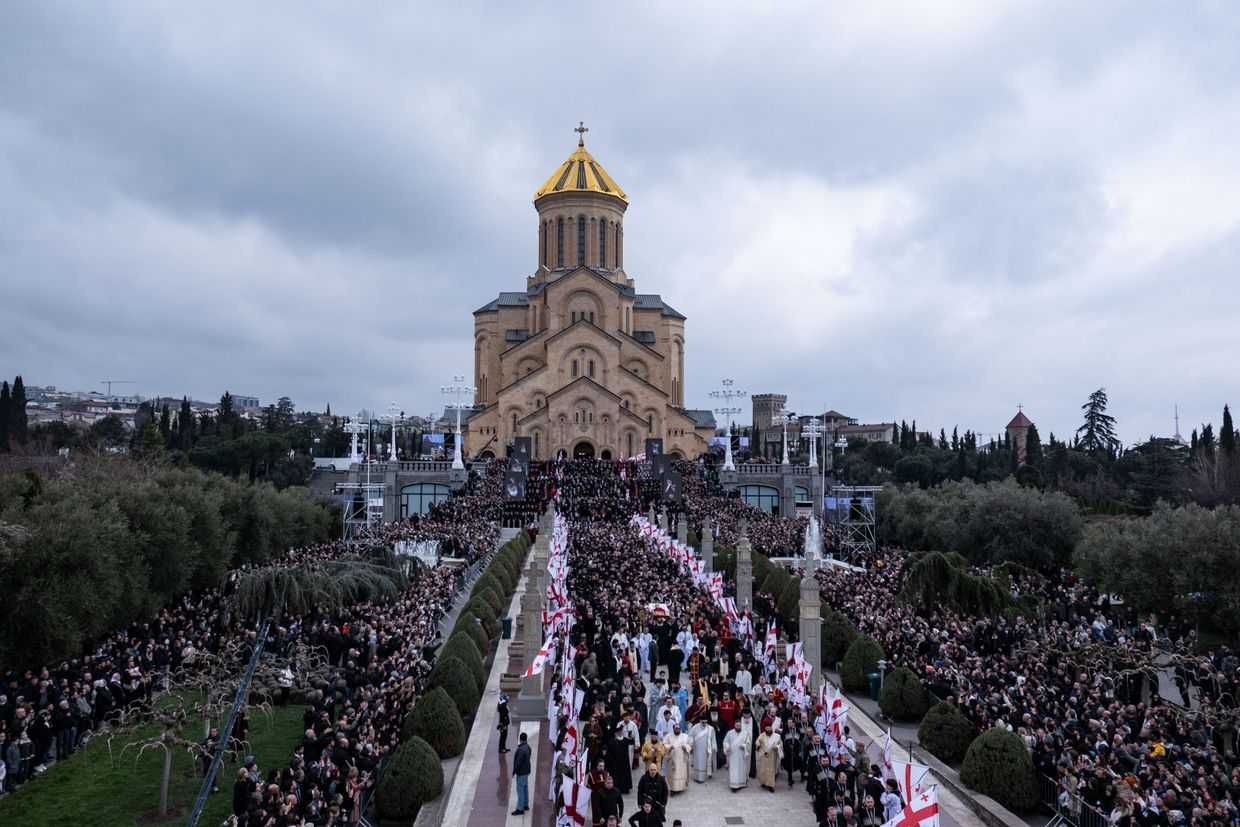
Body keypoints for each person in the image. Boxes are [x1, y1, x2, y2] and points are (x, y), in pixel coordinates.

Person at [723, 720, 751, 791]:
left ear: (741, 726)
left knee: (742, 769)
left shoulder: (745, 733)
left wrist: (744, 746)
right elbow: (725, 741)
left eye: (739, 725)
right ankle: (734, 785)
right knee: (734, 770)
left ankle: (742, 784)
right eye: (737, 725)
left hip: (742, 754)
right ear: (734, 725)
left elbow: (748, 743)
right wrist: (727, 746)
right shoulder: (730, 733)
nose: (738, 727)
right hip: (733, 754)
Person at [664, 722, 691, 793]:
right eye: (676, 728)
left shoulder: (685, 736)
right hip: (673, 759)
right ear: (673, 729)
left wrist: (685, 747)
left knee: (681, 774)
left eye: (678, 728)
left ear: (680, 729)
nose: (677, 730)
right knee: (673, 774)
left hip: (682, 759)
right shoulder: (668, 736)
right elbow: (664, 744)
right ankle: (673, 789)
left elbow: (689, 745)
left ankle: (682, 787)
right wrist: (670, 747)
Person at [755, 722, 783, 791]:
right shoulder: (762, 735)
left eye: (769, 728)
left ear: (771, 728)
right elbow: (757, 742)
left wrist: (777, 747)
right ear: (765, 728)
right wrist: (758, 745)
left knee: (771, 771)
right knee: (763, 770)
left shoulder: (777, 736)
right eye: (767, 728)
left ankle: (771, 785)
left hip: (772, 756)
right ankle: (763, 782)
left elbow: (780, 744)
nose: (768, 729)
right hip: (764, 756)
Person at [689, 715, 717, 783]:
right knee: (698, 763)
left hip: (706, 749)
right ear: (700, 721)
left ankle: (704, 777)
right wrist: (691, 745)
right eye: (703, 722)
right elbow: (690, 737)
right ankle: (697, 777)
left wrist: (714, 747)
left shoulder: (711, 729)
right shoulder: (694, 727)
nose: (704, 724)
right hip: (697, 749)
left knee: (706, 763)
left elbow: (713, 739)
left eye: (705, 722)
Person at [512, 732, 531, 815]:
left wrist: (514, 771)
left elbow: (518, 763)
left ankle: (520, 808)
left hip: (521, 772)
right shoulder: (528, 747)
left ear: (520, 739)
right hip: (527, 771)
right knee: (525, 788)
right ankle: (526, 804)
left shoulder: (520, 750)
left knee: (520, 790)